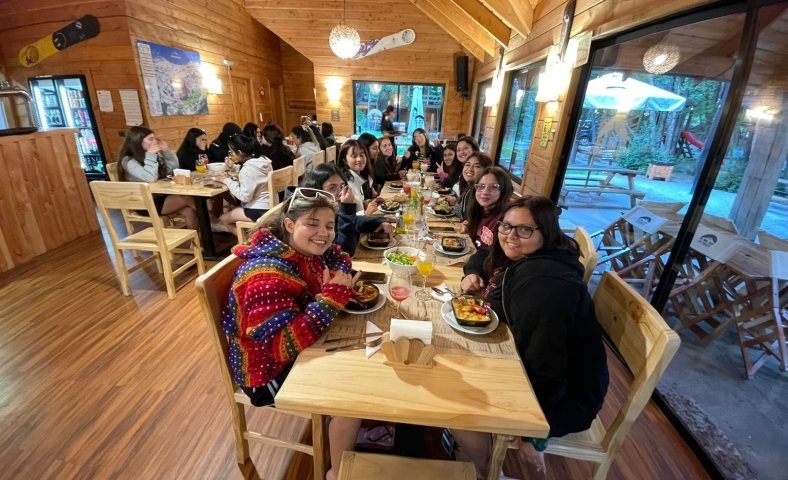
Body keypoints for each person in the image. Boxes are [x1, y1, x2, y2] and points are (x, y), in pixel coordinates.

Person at [451, 196, 609, 478]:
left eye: (524, 230)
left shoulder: (544, 284)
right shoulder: (521, 255)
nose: (510, 236)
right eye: (505, 226)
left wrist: (534, 432)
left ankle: (488, 471)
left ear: (546, 233)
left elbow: (545, 364)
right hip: (523, 360)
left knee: (455, 399)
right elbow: (483, 253)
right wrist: (473, 272)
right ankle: (472, 451)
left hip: (563, 398)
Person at [222, 190, 364, 480]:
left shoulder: (301, 251)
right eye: (312, 223)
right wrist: (332, 297)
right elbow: (281, 347)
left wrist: (334, 276)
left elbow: (337, 255)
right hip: (266, 374)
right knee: (354, 393)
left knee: (363, 358)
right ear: (289, 224)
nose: (323, 233)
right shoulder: (267, 275)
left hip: (300, 350)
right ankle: (336, 473)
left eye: (329, 225)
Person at [301, 163, 392, 256]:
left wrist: (378, 222)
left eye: (341, 186)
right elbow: (345, 251)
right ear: (317, 189)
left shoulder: (330, 208)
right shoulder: (311, 215)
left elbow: (355, 220)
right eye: (332, 188)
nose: (340, 193)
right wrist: (347, 207)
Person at [117, 126, 198, 230]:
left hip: (159, 195)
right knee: (188, 197)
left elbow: (172, 169)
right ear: (138, 141)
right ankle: (213, 221)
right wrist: (150, 155)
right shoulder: (128, 161)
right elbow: (150, 178)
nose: (155, 141)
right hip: (143, 202)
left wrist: (166, 151)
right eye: (151, 139)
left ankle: (196, 244)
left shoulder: (150, 155)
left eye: (154, 138)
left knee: (190, 211)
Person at [215, 134, 272, 236]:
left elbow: (245, 197)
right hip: (271, 206)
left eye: (232, 152)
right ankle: (254, 236)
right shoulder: (263, 161)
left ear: (239, 152)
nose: (231, 154)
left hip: (259, 210)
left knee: (223, 219)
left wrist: (227, 180)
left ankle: (249, 243)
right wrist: (234, 167)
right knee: (234, 211)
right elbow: (253, 172)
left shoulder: (247, 170)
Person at [463, 166, 513, 249]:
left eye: (493, 187)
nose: (485, 192)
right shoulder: (480, 210)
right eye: (481, 186)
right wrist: (470, 228)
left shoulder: (506, 217)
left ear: (504, 190)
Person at [336, 139, 381, 216]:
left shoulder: (358, 177)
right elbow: (345, 219)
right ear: (344, 160)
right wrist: (366, 214)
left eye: (361, 155)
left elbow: (357, 205)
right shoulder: (345, 184)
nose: (359, 159)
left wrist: (371, 202)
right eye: (354, 156)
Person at [445, 152, 492, 219]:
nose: (470, 169)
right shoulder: (469, 189)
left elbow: (471, 222)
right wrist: (457, 202)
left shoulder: (479, 192)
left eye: (477, 166)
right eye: (468, 165)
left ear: (486, 171)